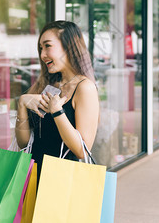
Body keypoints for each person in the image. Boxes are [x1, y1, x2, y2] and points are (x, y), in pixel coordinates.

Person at [15, 20, 99, 177]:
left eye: (48, 46)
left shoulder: (84, 87)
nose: (42, 55)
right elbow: (24, 143)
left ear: (68, 46)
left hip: (62, 181)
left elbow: (82, 150)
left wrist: (57, 112)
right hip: (34, 175)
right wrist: (21, 104)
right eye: (40, 48)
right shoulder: (48, 84)